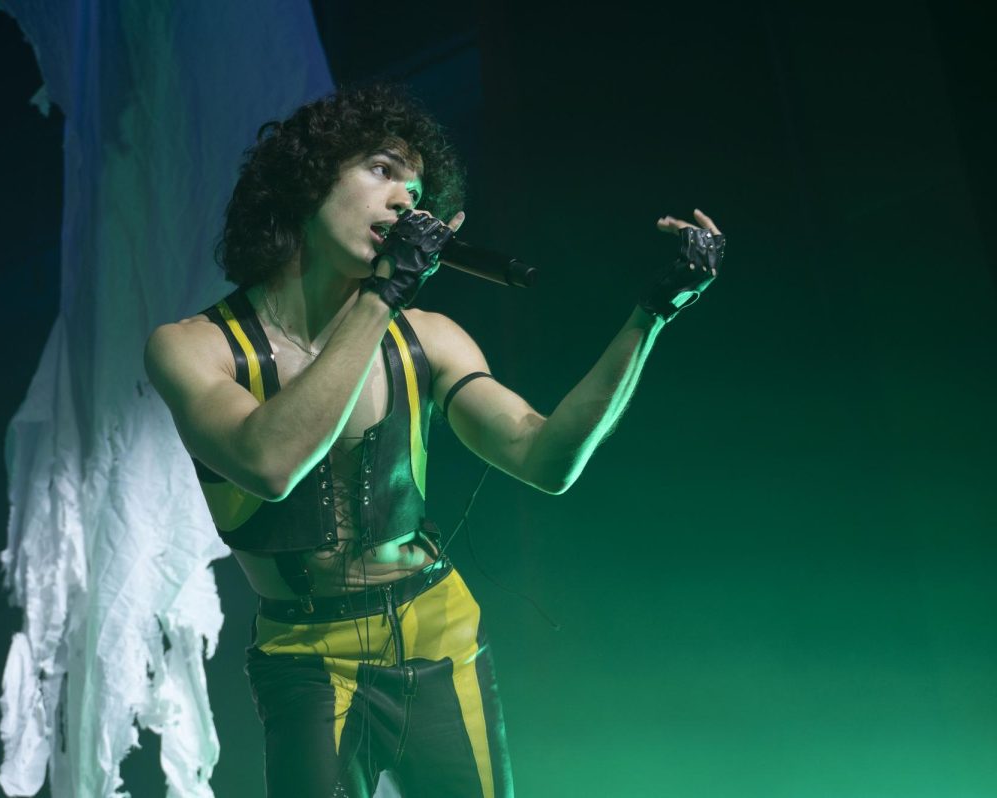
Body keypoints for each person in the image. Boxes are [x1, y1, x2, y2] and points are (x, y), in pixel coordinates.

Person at [144, 83, 722, 798]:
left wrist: (652, 315)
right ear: (307, 180)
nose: (403, 201)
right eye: (382, 171)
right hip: (305, 653)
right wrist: (381, 295)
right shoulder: (193, 349)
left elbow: (545, 461)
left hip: (439, 629)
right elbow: (268, 463)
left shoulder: (430, 339)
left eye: (415, 189)